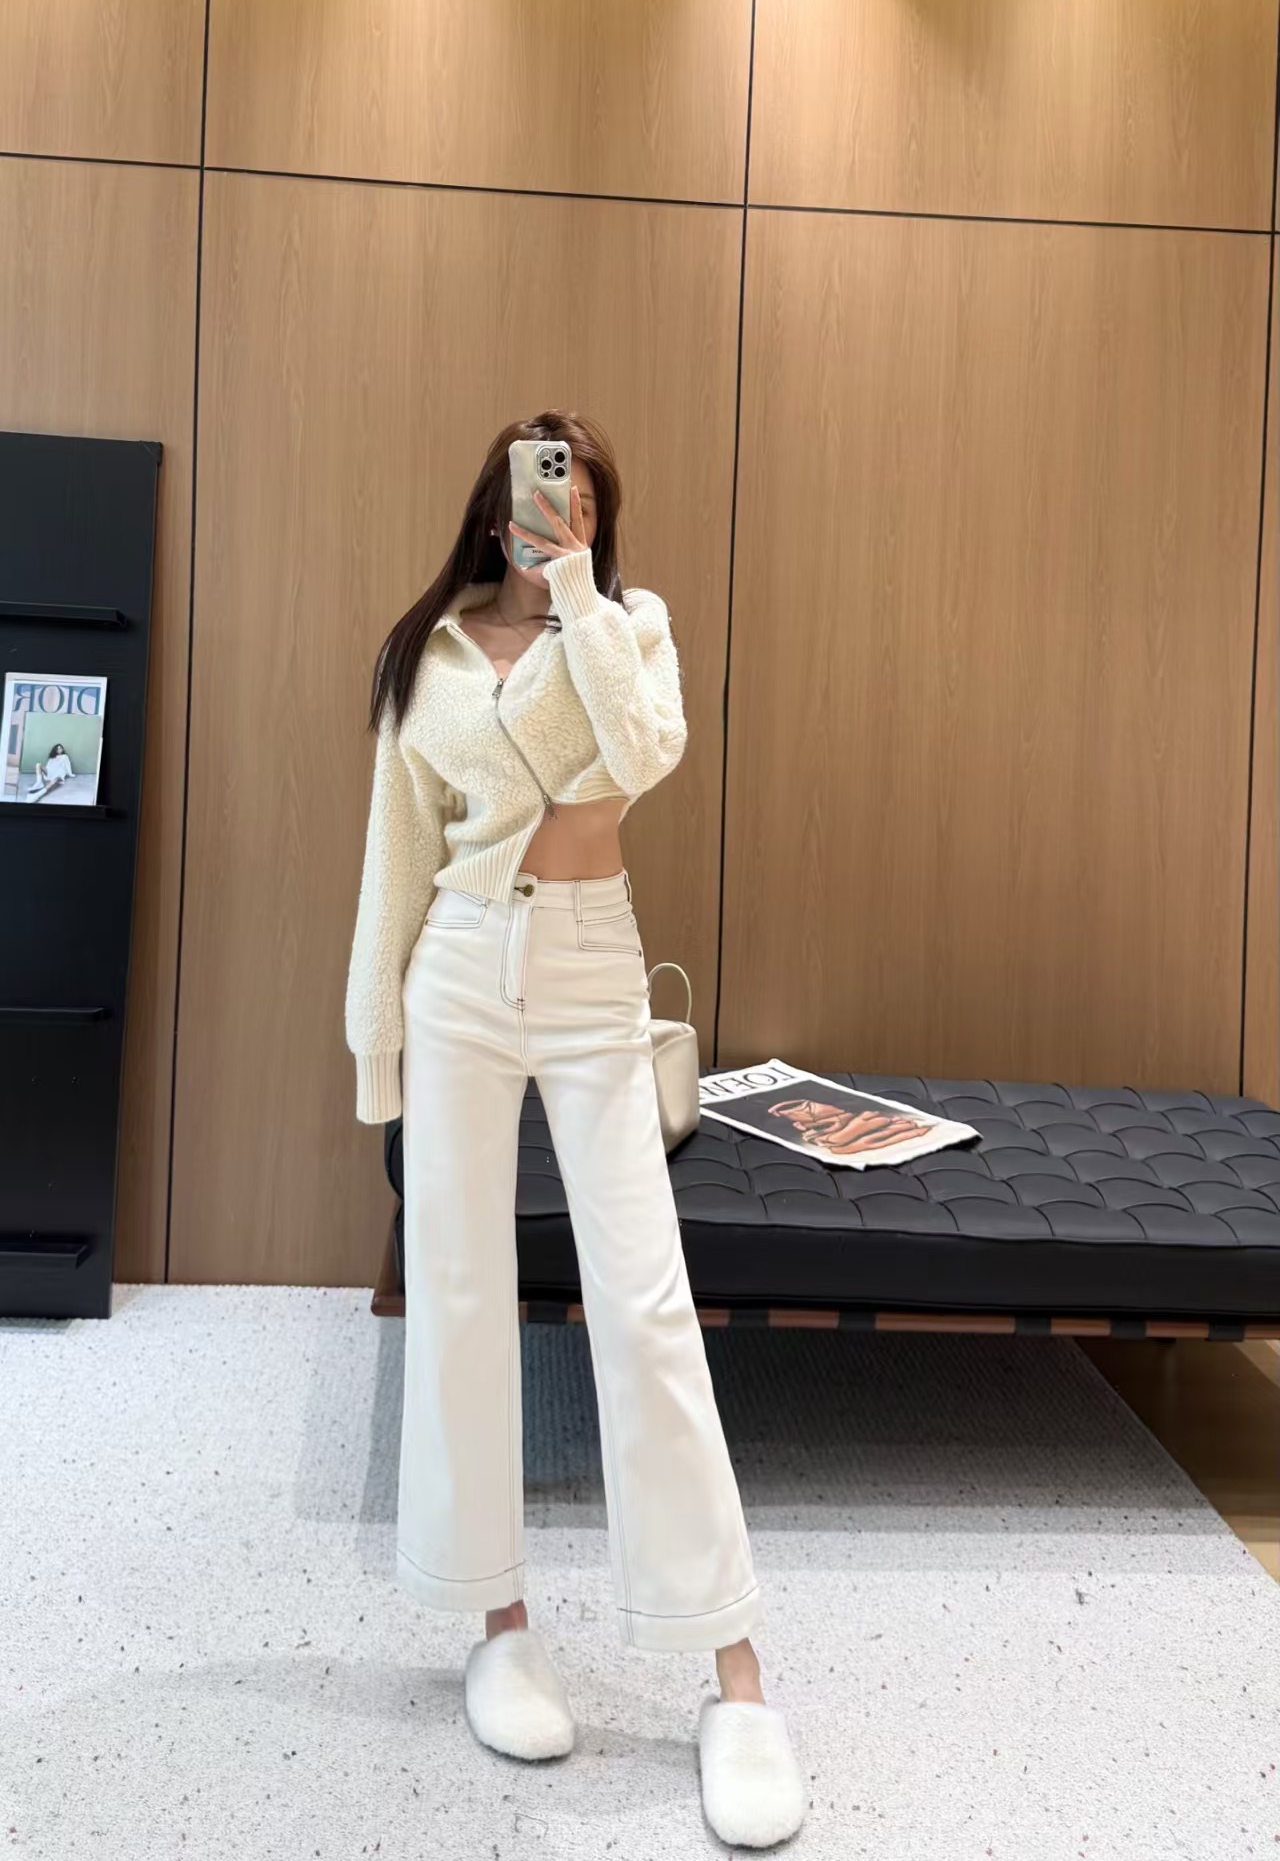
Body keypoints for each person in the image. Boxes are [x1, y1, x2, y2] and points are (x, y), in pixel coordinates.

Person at [345, 411, 806, 1847]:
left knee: (646, 1304)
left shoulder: (628, 626)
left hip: (595, 961)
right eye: (542, 492)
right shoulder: (426, 656)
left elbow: (648, 750)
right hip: (457, 966)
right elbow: (398, 850)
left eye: (585, 498)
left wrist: (582, 595)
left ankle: (735, 1678)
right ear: (495, 509)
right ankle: (499, 1623)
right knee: (461, 1292)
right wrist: (376, 1037)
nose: (560, 510)